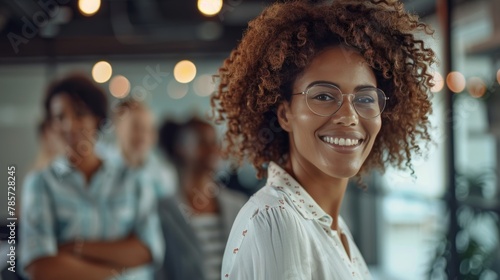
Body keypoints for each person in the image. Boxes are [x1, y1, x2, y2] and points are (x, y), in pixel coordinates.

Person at [211, 1, 436, 279]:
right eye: (324, 96)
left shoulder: (331, 225)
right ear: (285, 114)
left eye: (365, 98)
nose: (349, 117)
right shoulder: (277, 222)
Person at [19, 73, 164, 280]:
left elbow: (148, 250)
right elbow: (39, 266)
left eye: (79, 114)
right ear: (51, 125)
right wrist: (116, 272)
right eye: (60, 117)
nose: (70, 126)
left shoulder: (133, 179)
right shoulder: (40, 183)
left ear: (97, 118)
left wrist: (74, 248)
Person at [155, 117, 247, 280]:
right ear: (181, 148)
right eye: (203, 143)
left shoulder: (238, 205)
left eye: (215, 142)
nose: (213, 149)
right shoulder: (164, 211)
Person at [111, 99, 176, 199]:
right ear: (117, 127)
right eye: (136, 127)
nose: (143, 136)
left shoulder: (164, 175)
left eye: (148, 129)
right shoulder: (101, 171)